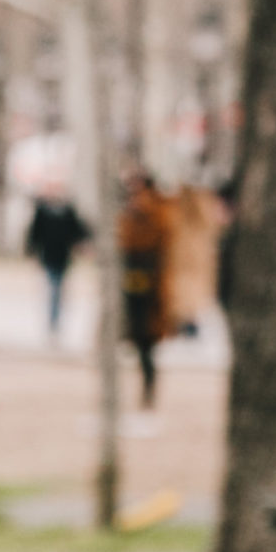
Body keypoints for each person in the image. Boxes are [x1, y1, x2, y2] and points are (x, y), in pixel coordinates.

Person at [117, 167, 172, 408]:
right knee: (141, 343)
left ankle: (148, 391)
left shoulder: (153, 213)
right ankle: (146, 391)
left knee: (145, 342)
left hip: (148, 286)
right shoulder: (134, 213)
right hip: (135, 284)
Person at [24, 187, 89, 336]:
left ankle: (56, 318)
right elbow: (35, 233)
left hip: (64, 257)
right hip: (48, 256)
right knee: (54, 288)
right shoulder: (42, 211)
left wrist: (81, 245)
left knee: (59, 289)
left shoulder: (68, 211)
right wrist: (32, 252)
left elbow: (77, 230)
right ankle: (53, 320)